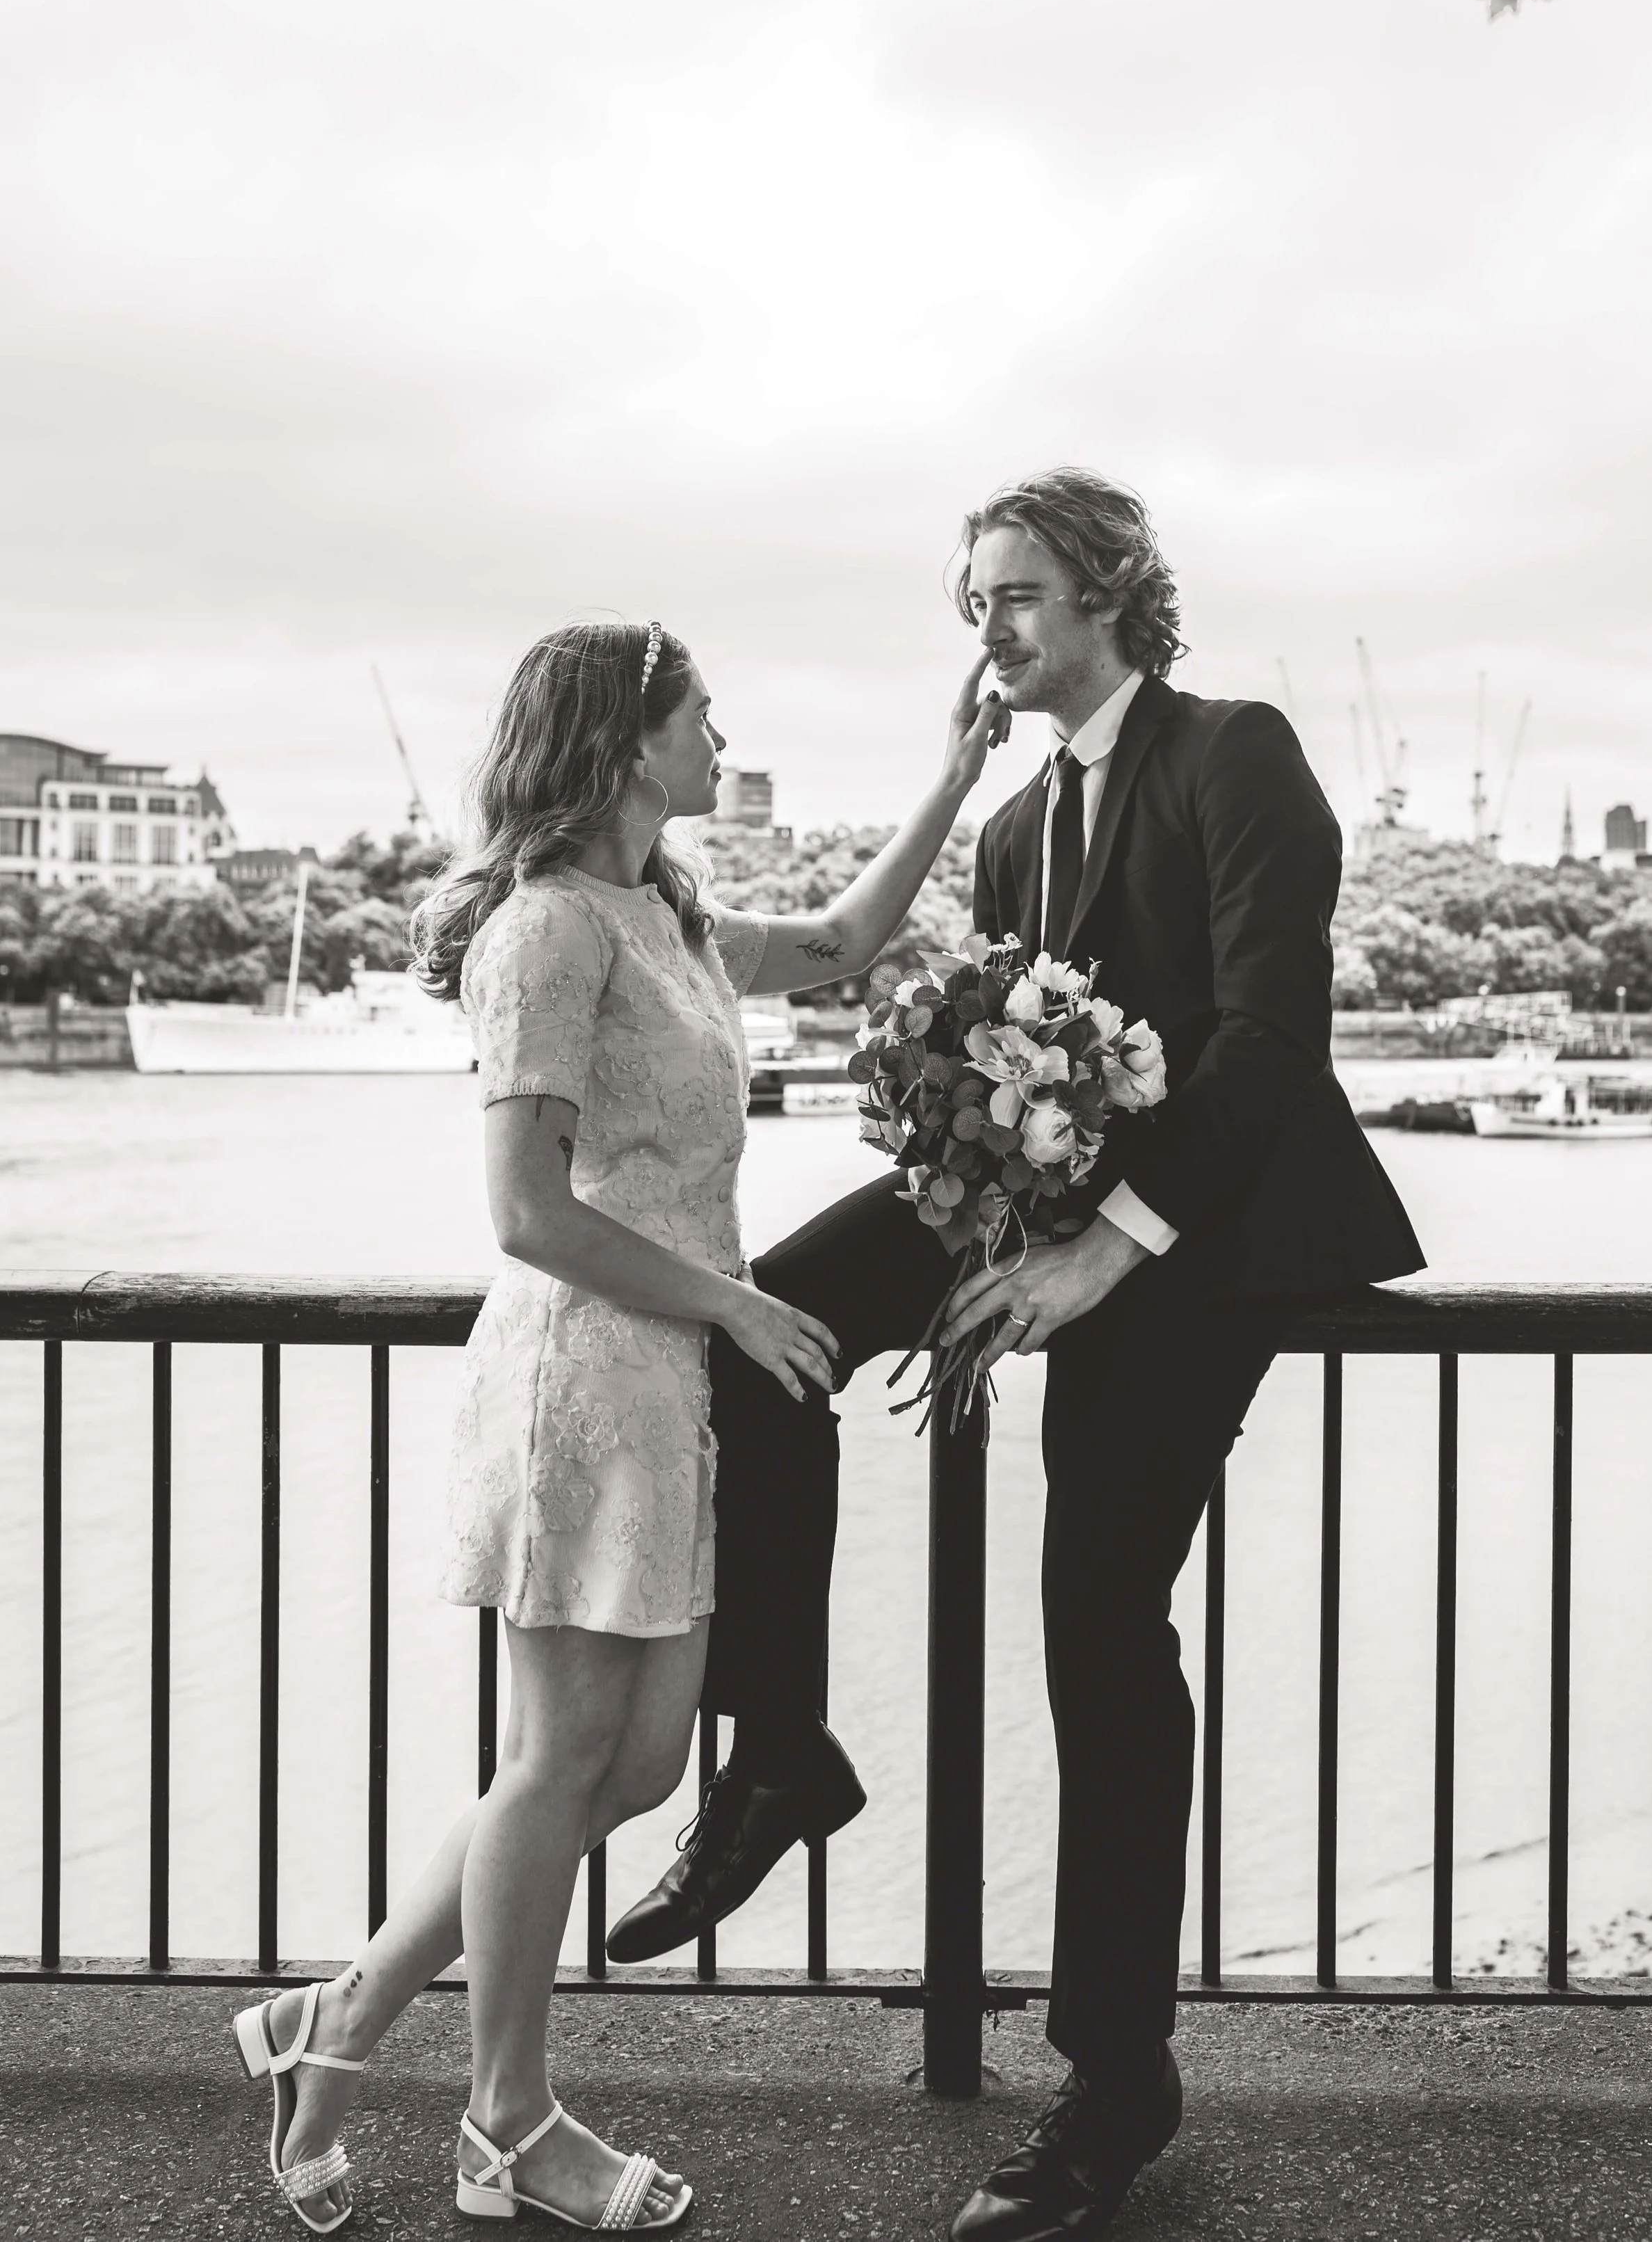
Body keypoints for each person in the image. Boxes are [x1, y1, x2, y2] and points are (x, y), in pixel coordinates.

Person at [609, 472, 1425, 2242]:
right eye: (974, 600)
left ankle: (1113, 2094)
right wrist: (973, 1193)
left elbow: (1269, 1044)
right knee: (762, 1326)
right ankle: (778, 1754)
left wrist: (1095, 1253)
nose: (986, 629)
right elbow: (1003, 1055)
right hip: (1033, 1202)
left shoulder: (1235, 752)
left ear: (1113, 596)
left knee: (1094, 1625)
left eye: (1018, 597)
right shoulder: (1005, 830)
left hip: (1196, 1249)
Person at [228, 615, 1008, 2236]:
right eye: (701, 716)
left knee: (636, 1765)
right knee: (564, 1758)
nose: (721, 740)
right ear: (623, 741)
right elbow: (523, 1211)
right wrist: (730, 1302)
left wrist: (953, 770)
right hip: (584, 1375)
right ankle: (506, 2122)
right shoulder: (546, 934)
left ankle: (341, 2017)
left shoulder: (668, 916)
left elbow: (856, 940)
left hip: (669, 1389)